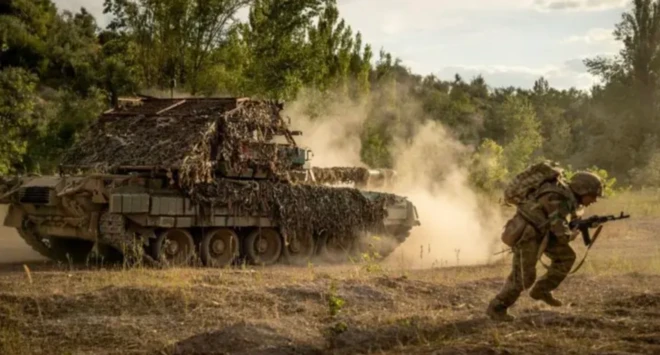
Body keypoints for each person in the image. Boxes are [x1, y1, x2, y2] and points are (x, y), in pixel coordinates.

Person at [486, 171, 604, 322]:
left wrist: (583, 224)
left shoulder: (568, 198)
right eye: (593, 195)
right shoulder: (556, 197)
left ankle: (541, 290)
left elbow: (563, 221)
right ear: (582, 190)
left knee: (566, 257)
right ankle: (497, 307)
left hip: (543, 232)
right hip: (527, 235)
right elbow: (560, 230)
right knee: (524, 277)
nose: (594, 200)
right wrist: (572, 234)